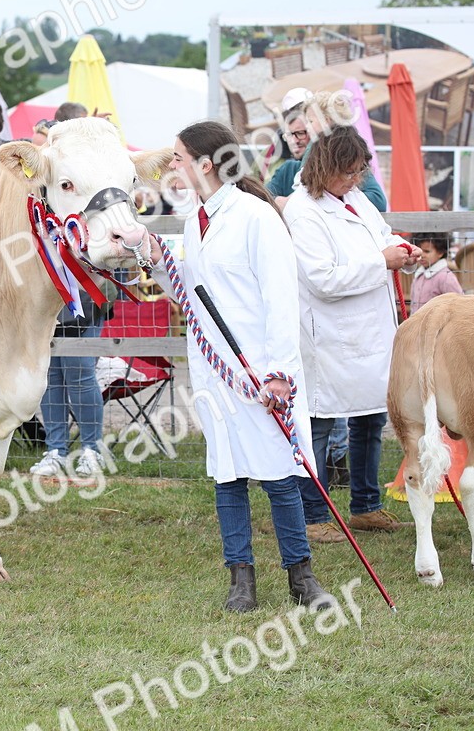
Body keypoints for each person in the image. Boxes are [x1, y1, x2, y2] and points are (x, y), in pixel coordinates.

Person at [141, 120, 333, 613]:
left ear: (205, 164)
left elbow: (280, 299)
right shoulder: (194, 220)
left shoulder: (255, 216)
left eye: (179, 158)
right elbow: (192, 288)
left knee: (277, 472)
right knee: (226, 471)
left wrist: (280, 373)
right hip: (214, 371)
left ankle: (301, 575)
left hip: (261, 371)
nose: (173, 168)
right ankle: (240, 577)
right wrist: (148, 251)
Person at [284, 125, 420, 543]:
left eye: (360, 171)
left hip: (370, 333)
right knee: (321, 425)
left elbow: (381, 237)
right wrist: (383, 262)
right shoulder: (302, 211)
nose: (356, 180)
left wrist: (402, 250)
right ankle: (313, 514)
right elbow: (323, 279)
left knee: (371, 419)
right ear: (325, 168)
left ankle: (366, 505)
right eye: (348, 172)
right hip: (328, 336)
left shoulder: (356, 199)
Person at [29, 289, 111, 479]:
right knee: (50, 376)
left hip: (87, 294)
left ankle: (92, 451)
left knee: (79, 372)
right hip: (46, 296)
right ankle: (56, 452)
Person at [289, 91, 388, 211]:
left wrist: (343, 200)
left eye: (310, 121)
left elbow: (378, 200)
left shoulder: (348, 149)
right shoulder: (316, 147)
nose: (307, 128)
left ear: (325, 120)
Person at [266, 88, 313, 202]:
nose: (294, 141)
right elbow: (260, 198)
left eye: (300, 133)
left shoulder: (336, 163)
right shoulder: (286, 168)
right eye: (288, 135)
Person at [410, 233, 463, 313]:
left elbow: (459, 303)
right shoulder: (419, 275)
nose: (422, 255)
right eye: (419, 251)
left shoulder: (445, 277)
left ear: (440, 252)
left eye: (427, 251)